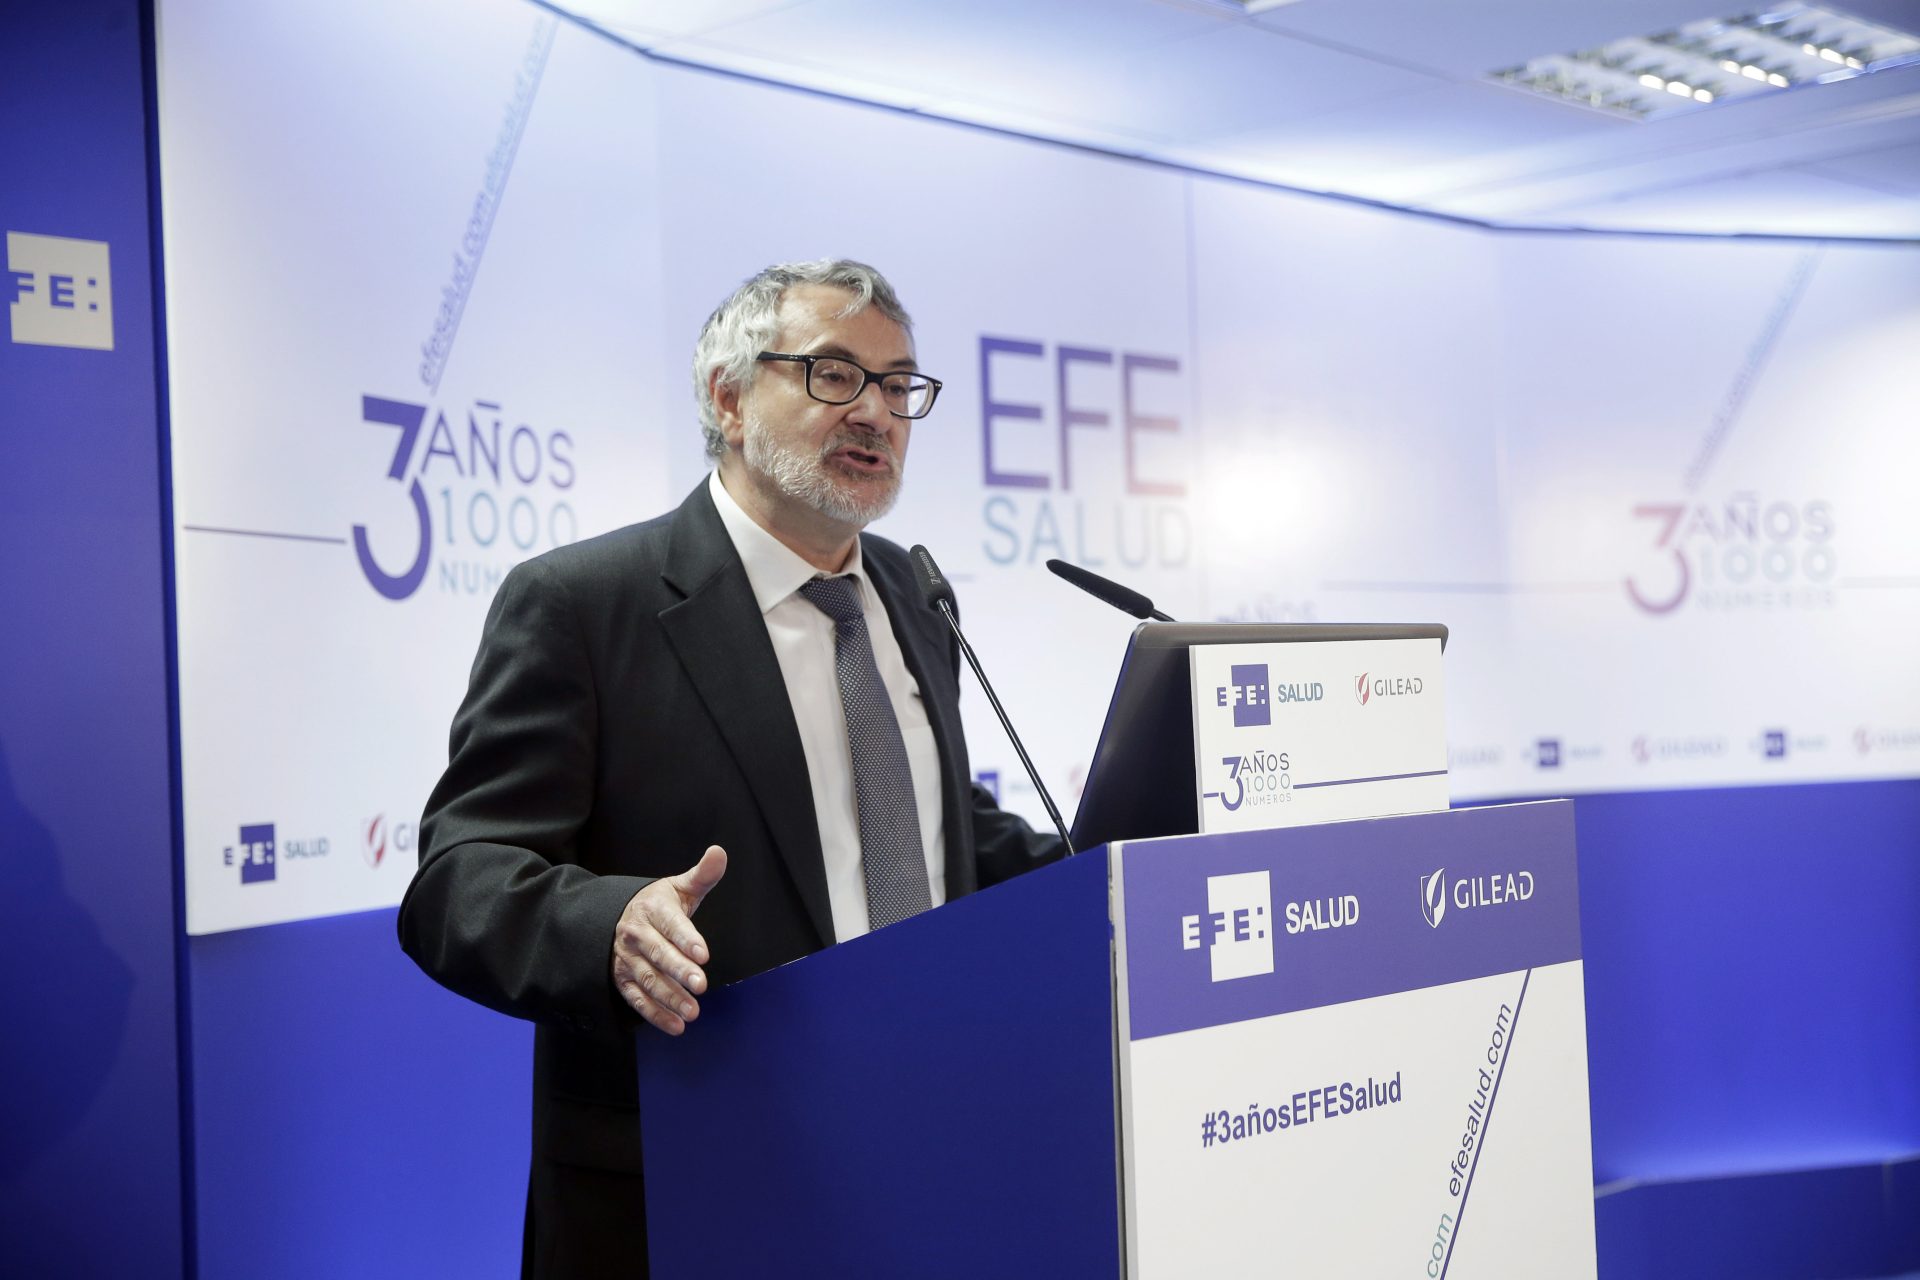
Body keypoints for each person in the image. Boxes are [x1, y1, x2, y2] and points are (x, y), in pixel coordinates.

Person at [398, 259, 1064, 1278]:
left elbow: (925, 825)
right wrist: (610, 924)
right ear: (728, 394)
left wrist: (1106, 855)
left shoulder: (912, 591)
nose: (876, 413)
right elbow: (459, 876)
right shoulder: (585, 603)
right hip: (690, 1180)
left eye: (897, 386)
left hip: (923, 1139)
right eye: (835, 375)